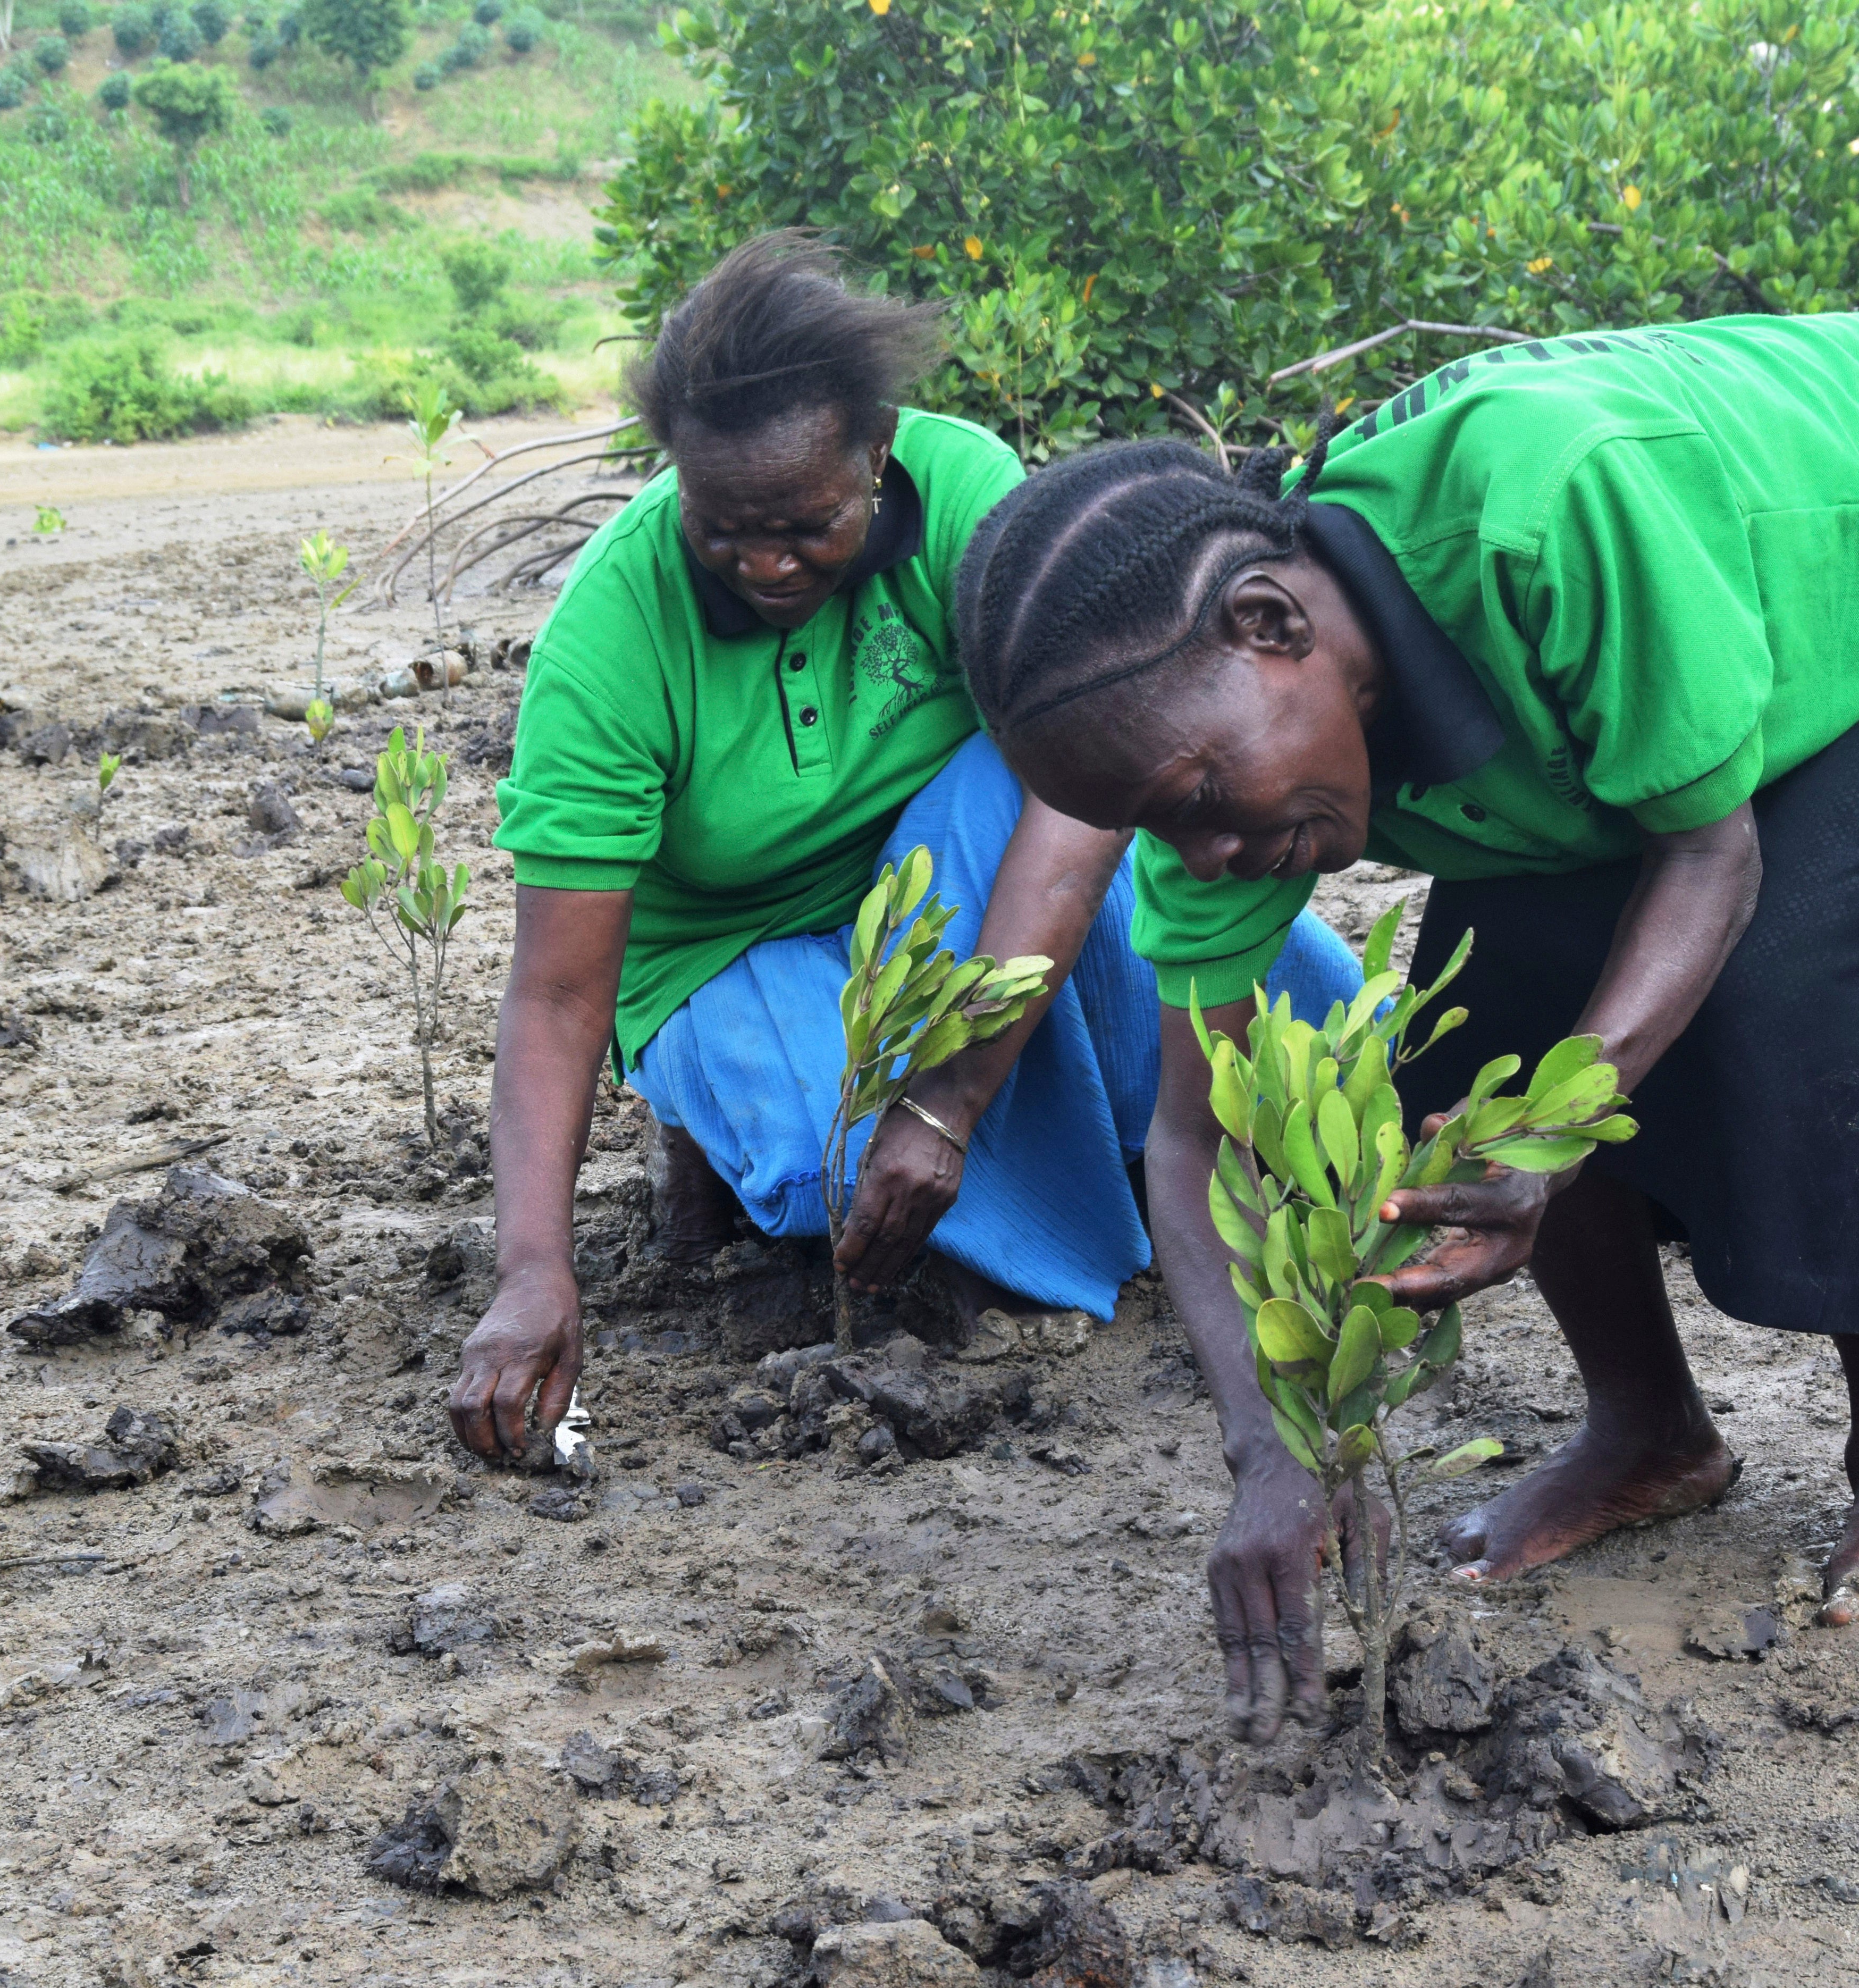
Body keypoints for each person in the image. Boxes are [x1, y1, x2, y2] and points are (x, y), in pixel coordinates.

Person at [954, 315, 1859, 1740]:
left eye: (1197, 793)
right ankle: (1649, 1429)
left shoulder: (1549, 503)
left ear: (1270, 625)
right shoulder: (1215, 776)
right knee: (1474, 1035)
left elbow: (1710, 859)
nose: (1205, 851)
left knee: (1809, 965)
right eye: (1152, 825)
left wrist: (1547, 1149)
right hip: (1755, 639)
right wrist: (1269, 1451)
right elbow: (1193, 1132)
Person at [445, 230, 1362, 1462]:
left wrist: (947, 1100)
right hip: (732, 942)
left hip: (959, 878)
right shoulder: (605, 644)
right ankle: (817, 1143)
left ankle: (1062, 1146)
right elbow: (558, 992)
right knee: (834, 1164)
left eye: (806, 523)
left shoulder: (967, 492)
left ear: (876, 453)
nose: (766, 562)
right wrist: (530, 1267)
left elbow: (1080, 787)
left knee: (1300, 1024)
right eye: (723, 527)